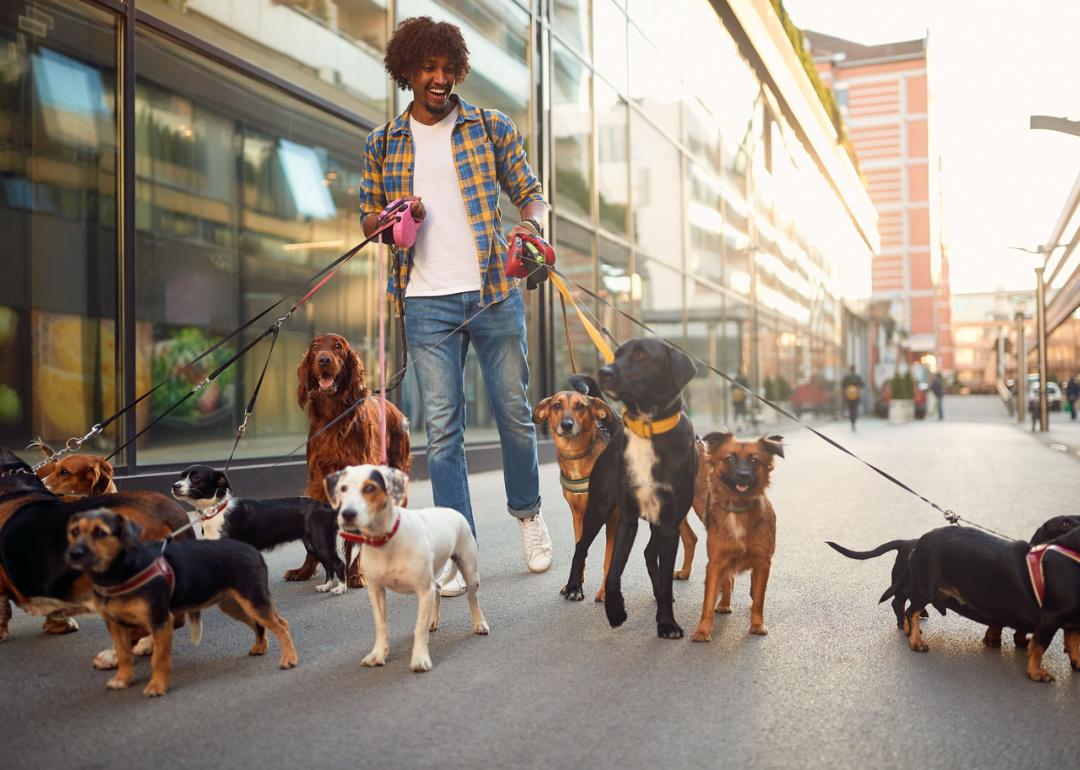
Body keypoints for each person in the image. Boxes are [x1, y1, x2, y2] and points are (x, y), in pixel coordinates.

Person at [359, 16, 552, 596]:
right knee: (443, 431)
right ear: (407, 72)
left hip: (493, 291)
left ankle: (528, 514)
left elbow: (531, 194)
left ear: (458, 71)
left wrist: (532, 232)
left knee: (514, 414)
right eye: (428, 68)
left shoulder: (489, 126)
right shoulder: (383, 142)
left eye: (448, 68)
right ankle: (453, 544)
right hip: (424, 301)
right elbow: (369, 219)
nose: (439, 79)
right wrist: (393, 218)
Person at [841, 366, 863, 431]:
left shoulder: (847, 377)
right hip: (855, 395)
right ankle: (853, 421)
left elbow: (843, 385)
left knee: (851, 409)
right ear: (854, 369)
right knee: (854, 409)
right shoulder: (857, 377)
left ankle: (852, 422)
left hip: (849, 395)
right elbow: (862, 384)